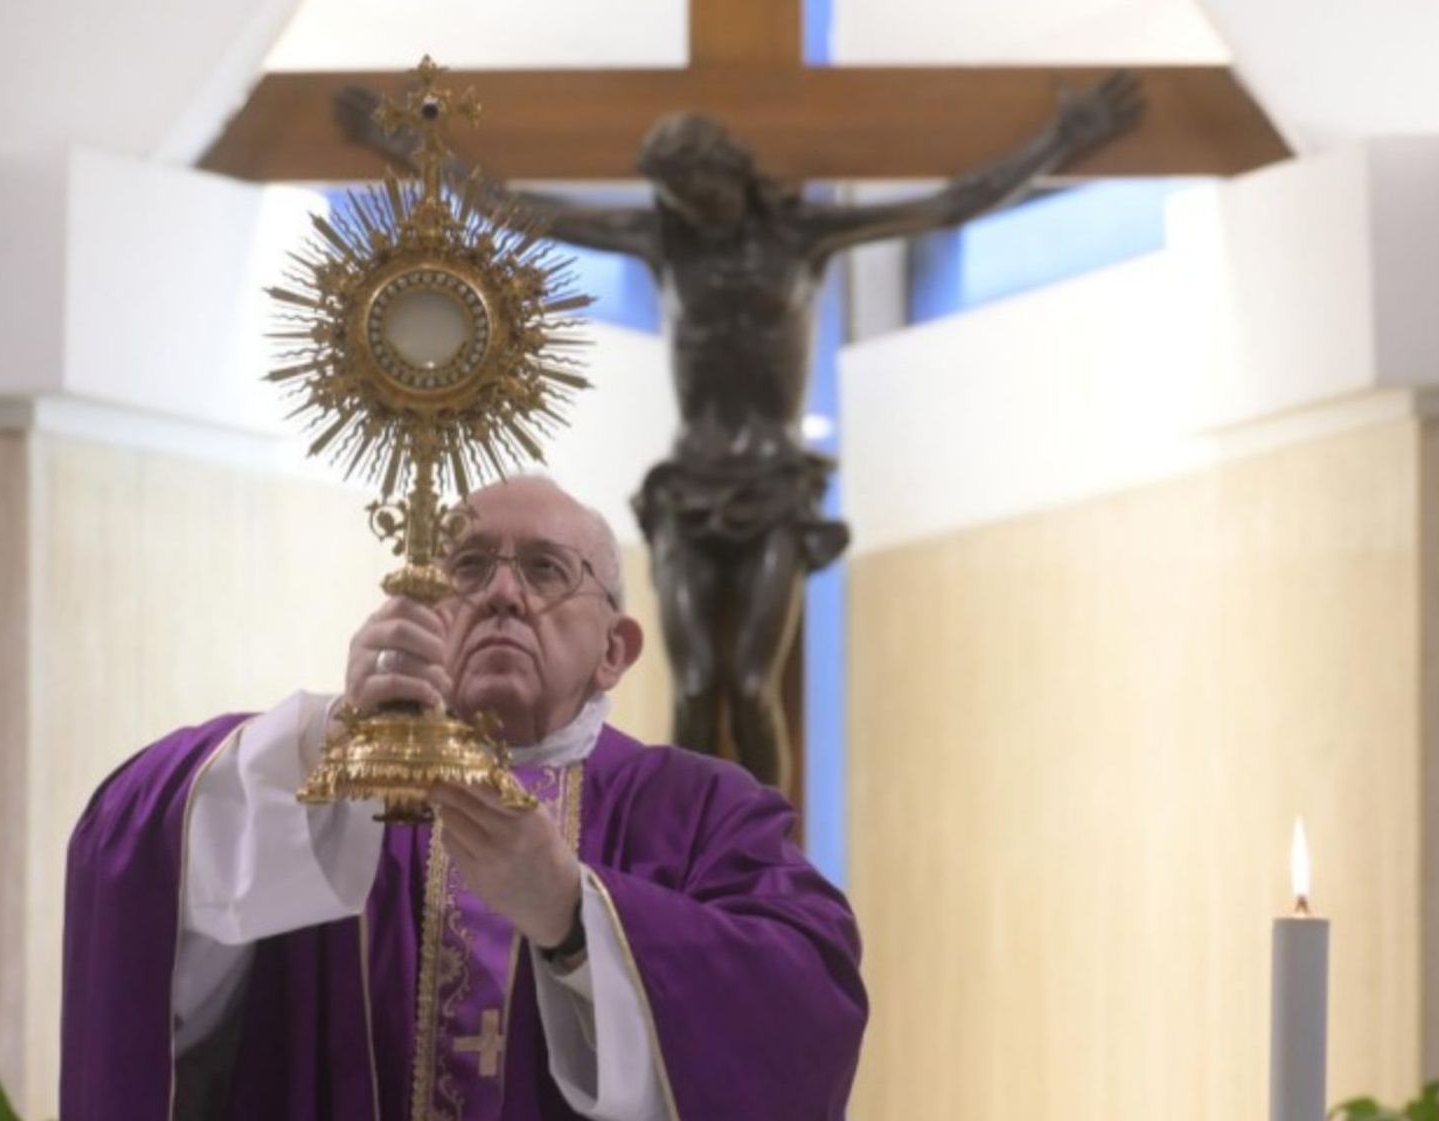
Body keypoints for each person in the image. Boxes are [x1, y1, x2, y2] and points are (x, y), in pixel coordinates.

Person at [338, 73, 1142, 791]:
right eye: (672, 192)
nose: (683, 205)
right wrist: (409, 146)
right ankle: (682, 849)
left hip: (772, 489)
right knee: (692, 687)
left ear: (723, 171)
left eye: (691, 185)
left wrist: (1062, 140)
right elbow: (526, 208)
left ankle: (762, 856)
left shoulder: (799, 237)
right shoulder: (664, 241)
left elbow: (947, 204)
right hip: (689, 490)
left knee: (752, 683)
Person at [61, 475, 867, 1120]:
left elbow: (805, 1000)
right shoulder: (327, 790)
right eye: (469, 566)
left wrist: (569, 915)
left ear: (614, 650)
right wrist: (333, 732)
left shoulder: (697, 809)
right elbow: (127, 843)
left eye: (547, 568)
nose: (501, 594)